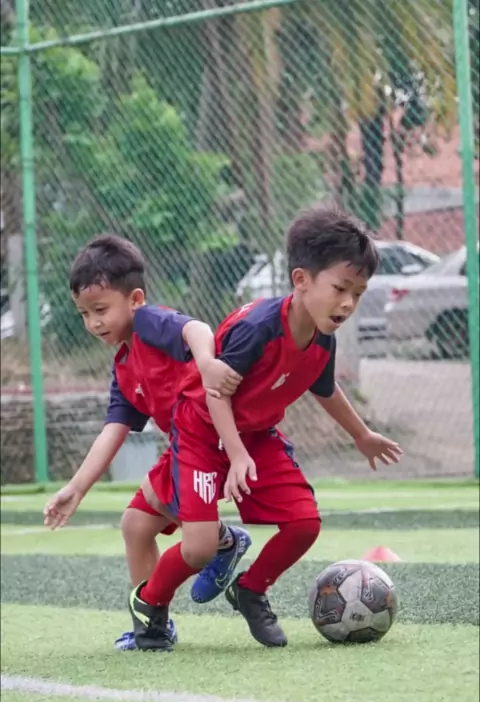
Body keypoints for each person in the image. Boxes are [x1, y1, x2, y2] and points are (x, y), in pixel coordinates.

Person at [127, 205, 403, 652]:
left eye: (358, 292)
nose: (348, 303)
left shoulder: (322, 336)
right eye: (340, 288)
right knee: (197, 549)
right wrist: (235, 453)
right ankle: (150, 602)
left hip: (256, 437)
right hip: (202, 435)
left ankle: (251, 590)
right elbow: (216, 394)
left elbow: (325, 388)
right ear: (301, 279)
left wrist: (361, 435)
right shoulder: (257, 328)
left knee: (304, 523)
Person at [43, 234, 252, 649]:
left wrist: (207, 363)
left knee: (195, 547)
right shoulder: (124, 364)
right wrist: (76, 488)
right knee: (136, 525)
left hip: (210, 445)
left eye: (101, 310)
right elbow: (113, 430)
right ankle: (154, 625)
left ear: (135, 299)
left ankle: (222, 543)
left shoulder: (148, 323)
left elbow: (196, 328)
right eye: (84, 314)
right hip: (182, 451)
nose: (93, 323)